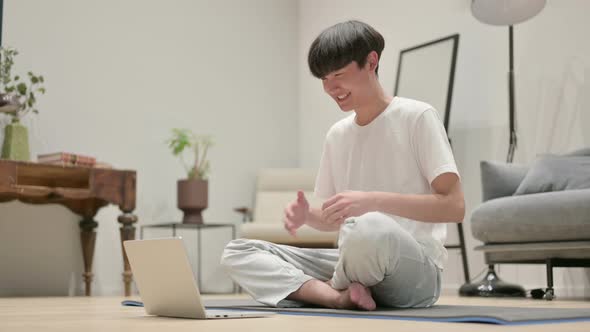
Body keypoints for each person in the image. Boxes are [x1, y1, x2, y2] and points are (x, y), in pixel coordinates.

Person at [221, 20, 464, 311]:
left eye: (338, 74)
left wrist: (373, 202)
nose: (331, 87)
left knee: (368, 227)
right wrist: (307, 216)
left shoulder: (417, 117)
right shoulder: (337, 135)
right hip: (353, 258)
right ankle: (338, 298)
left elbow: (454, 206)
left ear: (371, 61)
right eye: (324, 79)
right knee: (239, 251)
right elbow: (338, 219)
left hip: (415, 270)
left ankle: (326, 289)